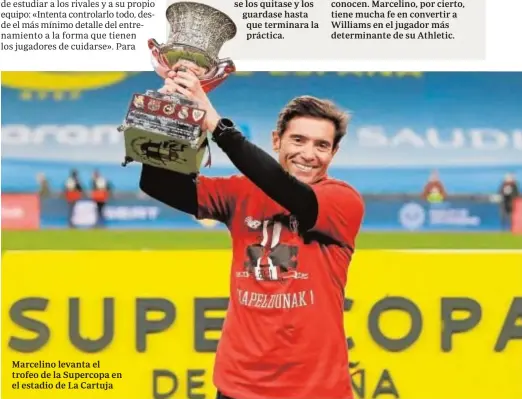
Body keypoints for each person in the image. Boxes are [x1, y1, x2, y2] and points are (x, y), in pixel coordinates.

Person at [139, 66, 365, 399]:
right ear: (276, 141)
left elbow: (284, 189)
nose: (308, 154)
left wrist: (217, 126)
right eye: (298, 140)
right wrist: (170, 111)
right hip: (238, 385)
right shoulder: (239, 193)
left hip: (314, 389)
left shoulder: (342, 200)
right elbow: (157, 183)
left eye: (321, 145)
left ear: (333, 153)